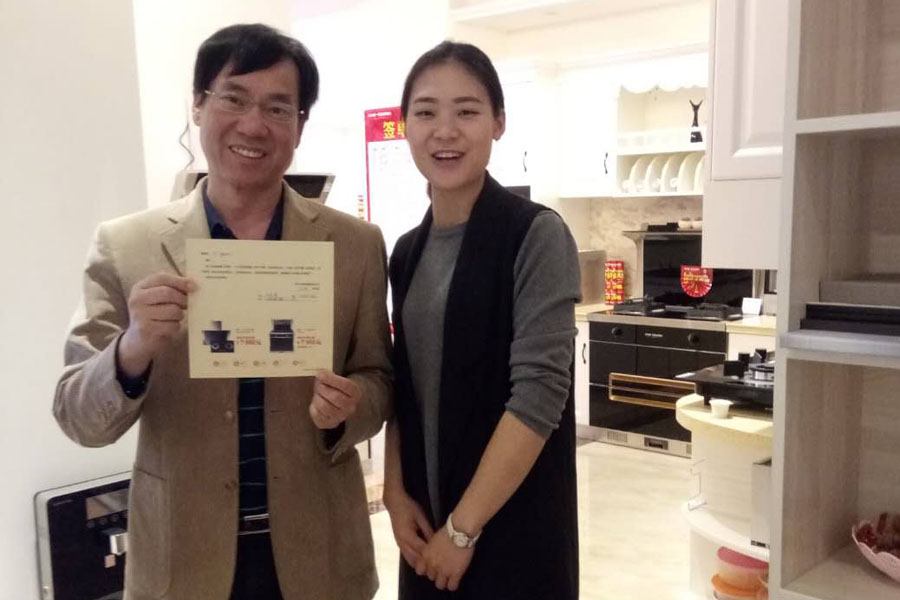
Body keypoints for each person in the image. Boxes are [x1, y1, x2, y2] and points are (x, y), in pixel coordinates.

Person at [53, 24, 392, 600]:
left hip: (321, 559)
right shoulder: (126, 246)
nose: (254, 125)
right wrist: (132, 349)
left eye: (278, 108)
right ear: (198, 104)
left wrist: (351, 407)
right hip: (183, 562)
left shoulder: (354, 245)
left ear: (299, 125)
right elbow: (77, 417)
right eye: (233, 98)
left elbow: (379, 378)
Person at [384, 41, 581, 599]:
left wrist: (463, 529)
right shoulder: (407, 251)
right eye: (426, 112)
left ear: (498, 122)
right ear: (405, 126)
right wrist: (395, 495)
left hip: (508, 524)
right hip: (426, 527)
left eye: (467, 111)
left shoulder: (535, 234)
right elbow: (404, 387)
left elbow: (539, 394)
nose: (444, 131)